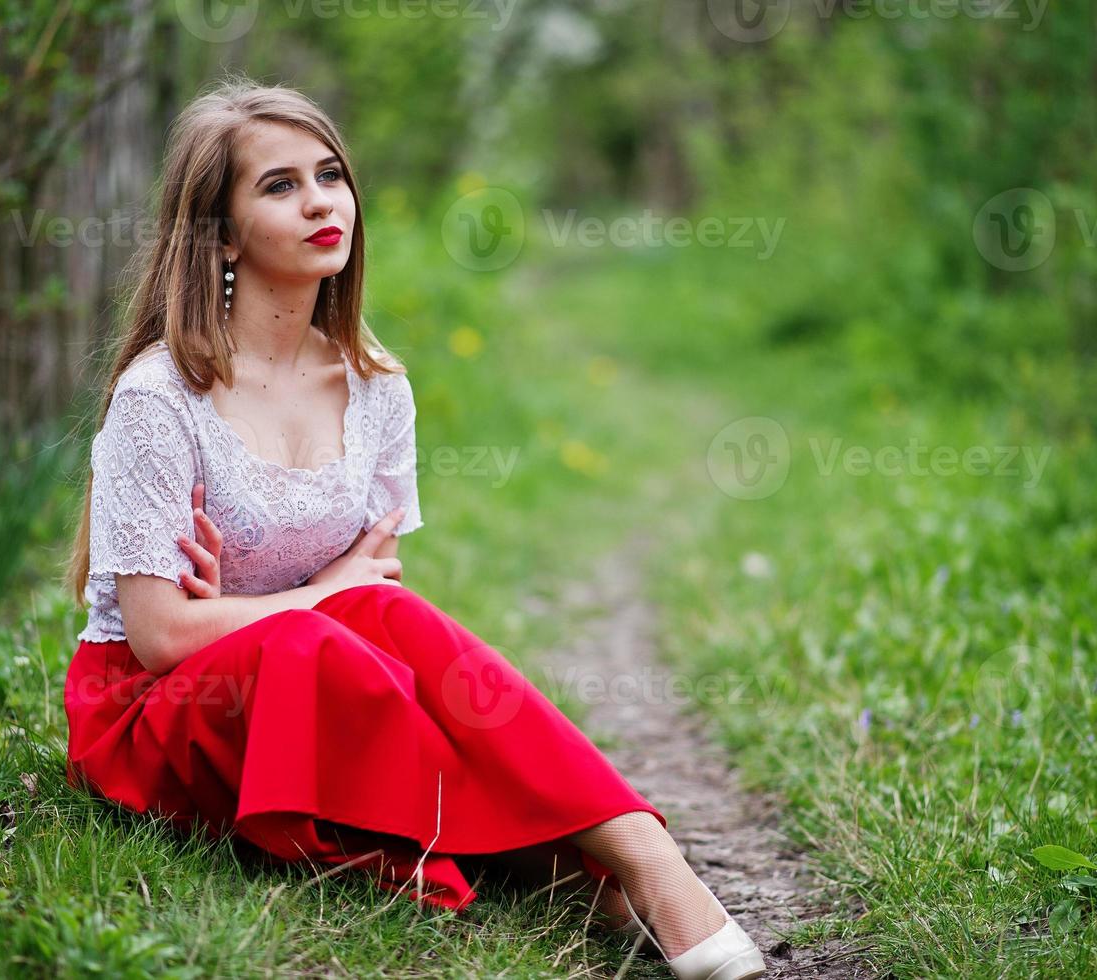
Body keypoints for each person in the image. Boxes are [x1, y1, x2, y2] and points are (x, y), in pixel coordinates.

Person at [61, 76, 765, 980]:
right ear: (222, 232)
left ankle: (634, 854)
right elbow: (159, 638)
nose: (320, 201)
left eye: (329, 174)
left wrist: (308, 602)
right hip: (163, 709)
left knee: (368, 634)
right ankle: (590, 861)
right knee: (321, 638)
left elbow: (374, 602)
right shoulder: (163, 397)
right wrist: (316, 595)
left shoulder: (375, 384)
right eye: (279, 185)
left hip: (310, 670)